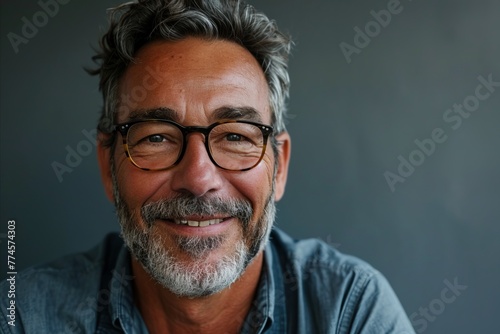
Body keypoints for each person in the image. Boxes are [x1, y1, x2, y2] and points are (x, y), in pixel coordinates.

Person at [1, 0, 415, 333]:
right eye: (157, 137)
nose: (198, 180)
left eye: (235, 136)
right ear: (108, 167)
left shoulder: (350, 312)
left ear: (280, 166)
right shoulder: (25, 317)